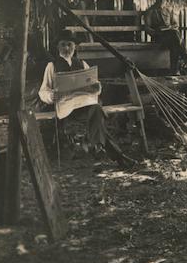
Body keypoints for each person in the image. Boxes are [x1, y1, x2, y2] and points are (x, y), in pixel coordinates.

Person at [38, 29, 137, 169]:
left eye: (69, 44)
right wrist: (50, 96)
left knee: (96, 108)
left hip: (82, 106)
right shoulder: (52, 66)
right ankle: (111, 152)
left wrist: (97, 87)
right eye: (63, 45)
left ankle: (101, 147)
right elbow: (43, 91)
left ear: (75, 47)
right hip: (65, 109)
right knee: (98, 118)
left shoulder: (82, 63)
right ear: (58, 47)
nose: (66, 48)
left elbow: (94, 85)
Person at [143, 0, 187, 75]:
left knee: (174, 43)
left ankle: (174, 71)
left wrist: (169, 27)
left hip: (170, 37)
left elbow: (175, 24)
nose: (161, 0)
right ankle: (185, 56)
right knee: (175, 36)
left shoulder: (168, 11)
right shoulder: (150, 11)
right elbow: (147, 27)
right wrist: (156, 32)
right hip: (158, 38)